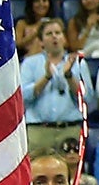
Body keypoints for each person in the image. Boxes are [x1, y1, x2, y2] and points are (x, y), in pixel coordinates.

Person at [19, 17, 87, 156]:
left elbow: (86, 100)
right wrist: (46, 78)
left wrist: (69, 76)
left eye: (58, 32)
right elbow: (22, 98)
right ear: (41, 41)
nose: (54, 36)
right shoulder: (30, 63)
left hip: (70, 129)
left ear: (64, 38)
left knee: (71, 175)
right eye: (49, 34)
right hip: (39, 132)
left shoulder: (78, 63)